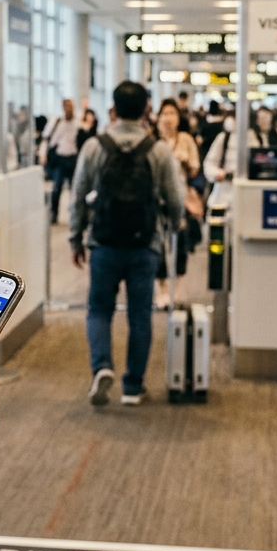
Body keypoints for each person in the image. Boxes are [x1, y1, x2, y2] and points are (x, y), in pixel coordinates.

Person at [70, 81, 186, 407]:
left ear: (114, 108)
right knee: (139, 315)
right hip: (144, 244)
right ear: (146, 109)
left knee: (99, 311)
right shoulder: (157, 150)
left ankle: (102, 367)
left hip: (103, 242)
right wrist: (174, 224)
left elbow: (78, 196)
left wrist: (75, 238)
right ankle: (133, 386)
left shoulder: (95, 146)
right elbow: (175, 199)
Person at [153, 98, 202, 306]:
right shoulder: (154, 142)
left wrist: (186, 161)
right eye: (164, 113)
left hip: (181, 199)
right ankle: (161, 288)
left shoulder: (186, 139)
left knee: (180, 244)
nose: (168, 118)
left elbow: (195, 170)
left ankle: (178, 288)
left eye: (172, 113)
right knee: (157, 244)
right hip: (156, 200)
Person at [41, 98, 81, 224]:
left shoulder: (77, 122)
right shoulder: (57, 122)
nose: (70, 109)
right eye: (68, 106)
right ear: (63, 107)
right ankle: (54, 213)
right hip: (60, 157)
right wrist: (43, 153)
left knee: (75, 188)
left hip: (73, 157)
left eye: (72, 106)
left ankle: (76, 214)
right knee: (57, 187)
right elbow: (46, 138)